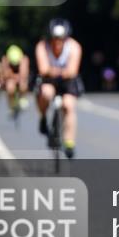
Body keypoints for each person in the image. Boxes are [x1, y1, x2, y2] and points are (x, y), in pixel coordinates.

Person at [34, 18, 84, 158]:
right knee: (46, 93)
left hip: (68, 82)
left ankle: (69, 142)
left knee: (68, 106)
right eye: (55, 38)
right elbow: (43, 70)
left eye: (61, 39)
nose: (58, 42)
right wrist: (59, 71)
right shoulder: (42, 46)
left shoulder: (74, 47)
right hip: (49, 80)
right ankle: (43, 117)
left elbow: (72, 71)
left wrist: (55, 70)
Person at [0, 44, 30, 117]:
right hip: (11, 79)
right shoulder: (5, 59)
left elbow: (24, 74)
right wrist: (12, 77)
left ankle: (22, 97)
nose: (15, 66)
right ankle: (11, 104)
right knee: (10, 87)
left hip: (20, 78)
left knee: (23, 84)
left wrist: (16, 77)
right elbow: (5, 75)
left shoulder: (24, 59)